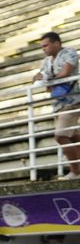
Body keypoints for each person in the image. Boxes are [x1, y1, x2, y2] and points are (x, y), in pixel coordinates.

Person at [32, 31, 79, 176]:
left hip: (73, 100)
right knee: (73, 137)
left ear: (56, 43)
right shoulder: (46, 62)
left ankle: (76, 171)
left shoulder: (69, 52)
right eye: (42, 46)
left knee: (60, 135)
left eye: (46, 45)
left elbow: (65, 72)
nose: (43, 49)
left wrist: (48, 78)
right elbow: (45, 83)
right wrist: (39, 78)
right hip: (58, 104)